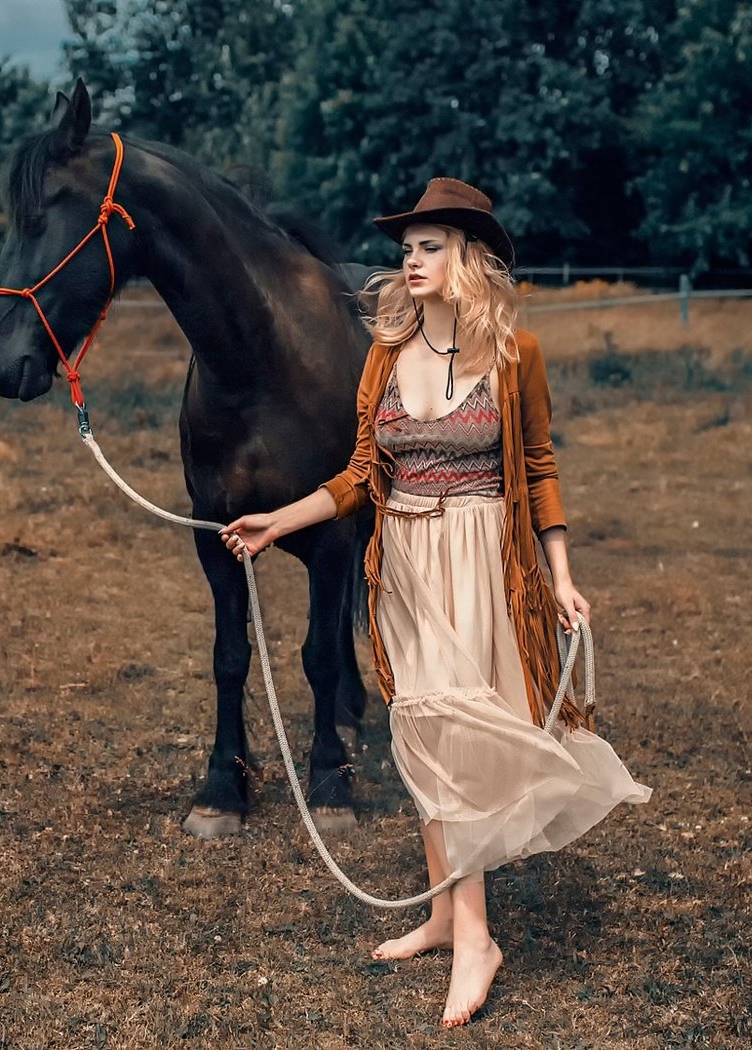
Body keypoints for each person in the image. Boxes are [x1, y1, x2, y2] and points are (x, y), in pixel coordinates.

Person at [219, 178, 651, 1029]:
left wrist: (560, 576)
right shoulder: (386, 356)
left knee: (458, 733)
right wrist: (278, 520)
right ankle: (447, 913)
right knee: (420, 732)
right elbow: (356, 477)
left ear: (470, 258)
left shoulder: (516, 354)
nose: (410, 261)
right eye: (406, 248)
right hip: (408, 564)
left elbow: (538, 470)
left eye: (429, 247)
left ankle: (477, 941)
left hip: (482, 559)